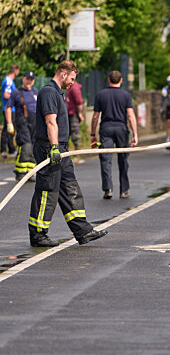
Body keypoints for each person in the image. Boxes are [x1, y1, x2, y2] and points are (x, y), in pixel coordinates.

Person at [28, 60, 107, 247]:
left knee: (70, 187)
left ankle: (83, 231)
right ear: (63, 74)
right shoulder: (48, 92)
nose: (73, 82)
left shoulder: (57, 93)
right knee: (48, 191)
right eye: (72, 78)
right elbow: (50, 122)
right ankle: (38, 234)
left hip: (60, 148)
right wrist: (54, 147)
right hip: (50, 148)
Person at [90, 70, 138, 200]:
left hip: (106, 129)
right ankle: (124, 190)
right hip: (122, 129)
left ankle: (108, 189)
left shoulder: (101, 94)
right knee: (123, 158)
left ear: (109, 80)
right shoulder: (126, 95)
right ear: (121, 80)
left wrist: (92, 133)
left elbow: (95, 116)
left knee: (106, 158)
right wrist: (135, 134)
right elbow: (130, 115)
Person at [6, 71, 38, 180]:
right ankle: (20, 172)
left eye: (31, 79)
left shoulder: (35, 91)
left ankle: (30, 172)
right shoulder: (16, 92)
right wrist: (9, 123)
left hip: (34, 123)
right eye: (27, 79)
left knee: (34, 146)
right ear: (23, 79)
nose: (29, 81)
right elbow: (8, 107)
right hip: (22, 122)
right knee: (26, 145)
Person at [1, 64, 19, 157]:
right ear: (16, 71)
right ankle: (9, 149)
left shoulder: (9, 80)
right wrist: (15, 98)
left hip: (9, 108)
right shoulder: (8, 80)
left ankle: (6, 149)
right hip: (9, 109)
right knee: (9, 128)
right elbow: (6, 94)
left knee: (8, 128)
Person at [65, 77, 84, 150]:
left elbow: (79, 102)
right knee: (67, 134)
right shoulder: (69, 87)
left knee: (75, 134)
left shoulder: (74, 88)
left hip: (73, 114)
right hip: (68, 114)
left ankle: (77, 153)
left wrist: (80, 113)